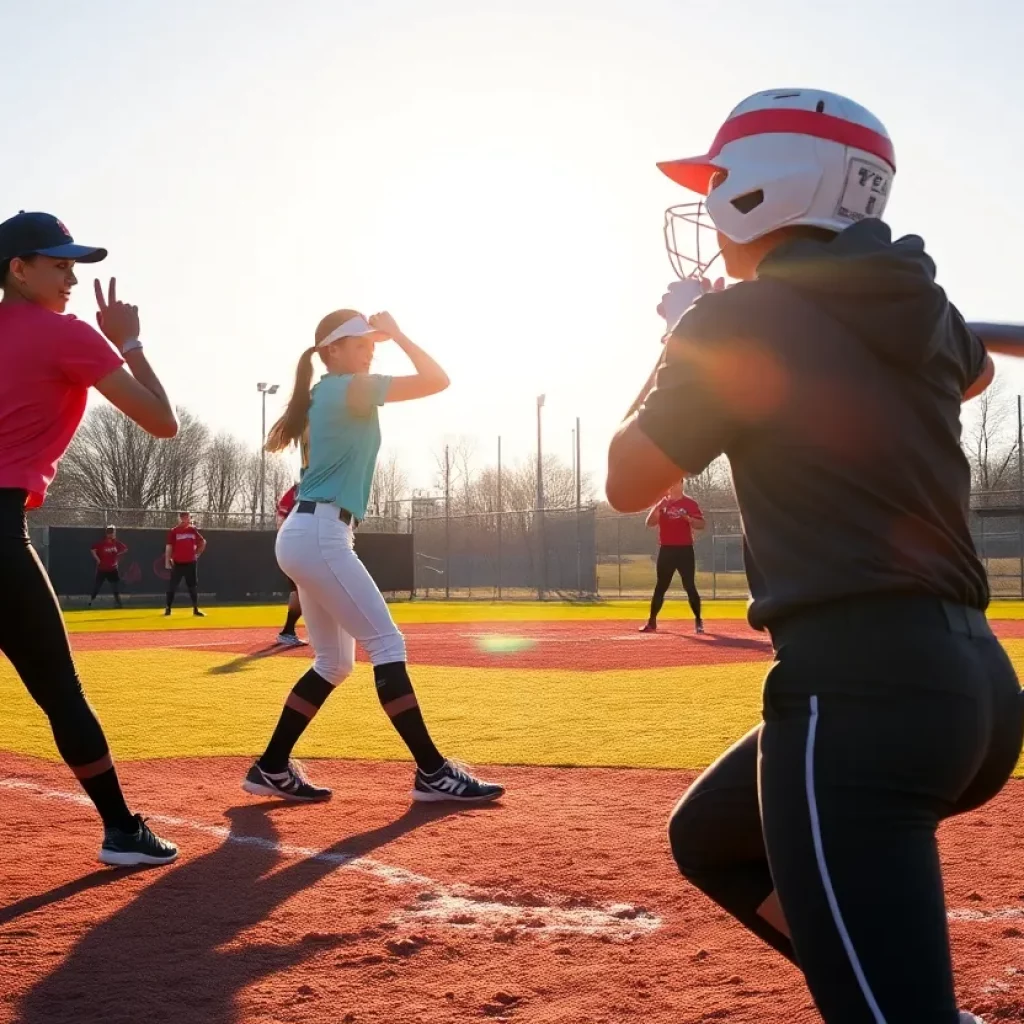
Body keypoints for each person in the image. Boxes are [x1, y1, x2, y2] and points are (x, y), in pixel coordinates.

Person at [605, 89, 1018, 1024]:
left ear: (769, 187)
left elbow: (629, 478)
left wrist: (686, 335)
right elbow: (973, 365)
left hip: (858, 696)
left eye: (717, 181)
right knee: (713, 837)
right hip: (973, 691)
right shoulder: (924, 308)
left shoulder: (735, 322)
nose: (708, 205)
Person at [243, 309, 504, 804]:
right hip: (320, 533)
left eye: (370, 343)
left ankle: (272, 767)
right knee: (386, 645)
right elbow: (437, 380)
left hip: (310, 532)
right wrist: (402, 332)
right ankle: (432, 772)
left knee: (333, 663)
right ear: (331, 352)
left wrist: (376, 337)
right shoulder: (346, 388)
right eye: (359, 343)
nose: (370, 349)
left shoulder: (327, 391)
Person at [0, 210, 179, 866]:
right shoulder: (65, 334)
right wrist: (129, 343)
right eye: (58, 263)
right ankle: (122, 832)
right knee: (59, 690)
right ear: (18, 269)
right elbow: (161, 422)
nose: (72, 276)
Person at [641, 479, 705, 634]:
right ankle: (652, 622)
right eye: (671, 483)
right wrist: (657, 507)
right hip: (666, 550)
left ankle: (698, 620)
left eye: (676, 483)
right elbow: (649, 523)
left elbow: (701, 524)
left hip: (685, 550)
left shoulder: (690, 503)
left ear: (682, 484)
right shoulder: (663, 503)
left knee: (689, 586)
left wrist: (688, 519)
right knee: (661, 587)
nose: (672, 486)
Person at [275, 482, 307, 646]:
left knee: (301, 591)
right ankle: (287, 631)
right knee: (302, 590)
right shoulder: (300, 488)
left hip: (298, 544)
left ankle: (288, 631)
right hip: (297, 544)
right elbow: (281, 513)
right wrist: (286, 538)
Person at [164, 510, 205, 616]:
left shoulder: (192, 530)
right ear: (180, 518)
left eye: (187, 517)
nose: (185, 519)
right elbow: (169, 546)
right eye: (183, 517)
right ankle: (168, 608)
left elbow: (203, 542)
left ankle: (195, 609)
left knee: (192, 587)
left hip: (190, 563)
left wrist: (197, 554)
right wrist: (168, 561)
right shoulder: (174, 531)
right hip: (177, 563)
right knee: (172, 586)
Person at [89, 525, 127, 608]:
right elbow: (92, 550)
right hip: (102, 569)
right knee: (97, 586)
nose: (112, 535)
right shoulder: (102, 543)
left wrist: (117, 556)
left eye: (113, 533)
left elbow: (125, 549)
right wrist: (97, 559)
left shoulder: (116, 543)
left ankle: (118, 604)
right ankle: (91, 601)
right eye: (110, 533)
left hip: (113, 569)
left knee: (115, 587)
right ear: (107, 534)